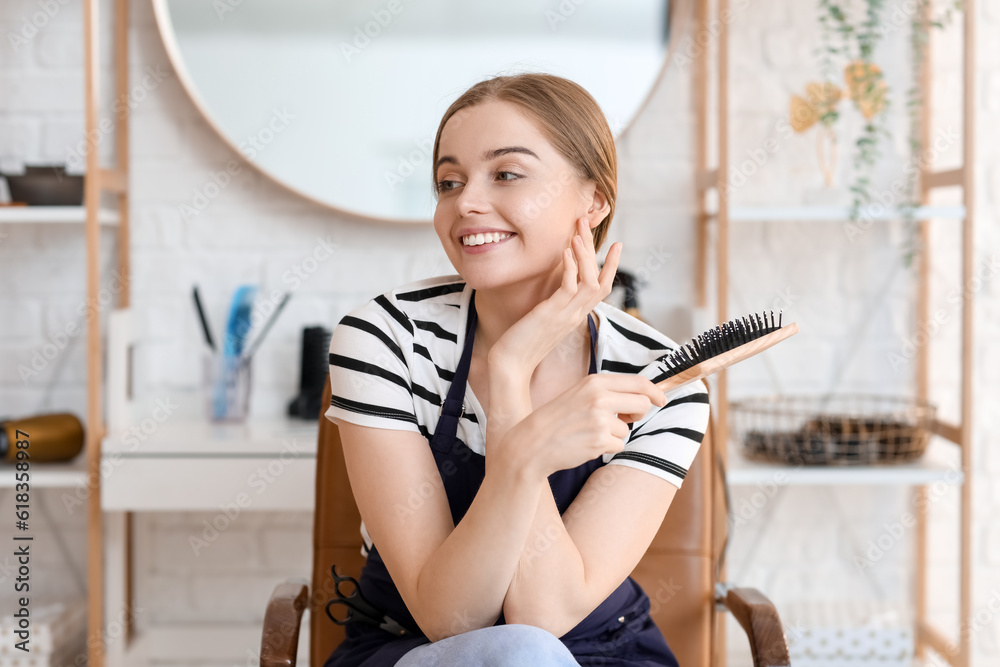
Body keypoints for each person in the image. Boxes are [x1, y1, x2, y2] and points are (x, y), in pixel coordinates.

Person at [323, 72, 710, 667]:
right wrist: (511, 380)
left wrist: (509, 392)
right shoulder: (386, 339)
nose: (466, 202)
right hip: (420, 648)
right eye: (448, 182)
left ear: (595, 200)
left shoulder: (659, 378)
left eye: (506, 173)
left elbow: (547, 614)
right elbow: (448, 617)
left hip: (598, 651)